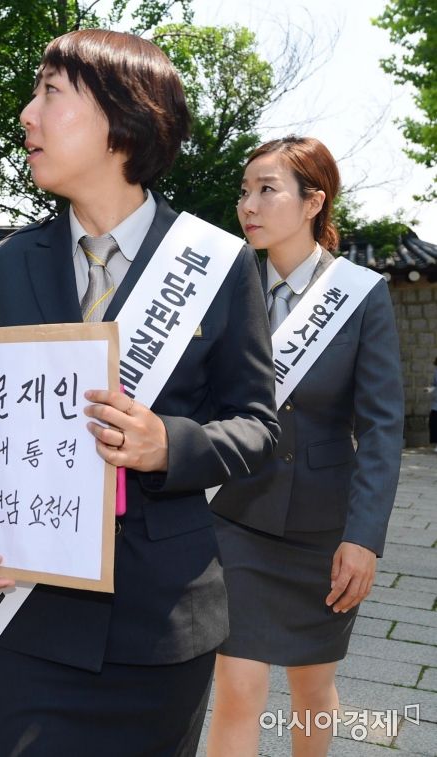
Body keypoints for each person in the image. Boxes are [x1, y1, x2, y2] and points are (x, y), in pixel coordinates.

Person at [0, 29, 279, 757]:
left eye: (51, 93)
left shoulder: (216, 263)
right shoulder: (12, 264)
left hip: (158, 628)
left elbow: (258, 429)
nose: (27, 114)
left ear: (123, 116)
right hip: (19, 615)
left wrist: (168, 444)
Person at [207, 136, 404, 757]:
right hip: (237, 515)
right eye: (244, 191)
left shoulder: (361, 293)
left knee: (313, 692)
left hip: (324, 530)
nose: (249, 205)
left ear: (313, 201)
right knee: (238, 688)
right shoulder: (226, 287)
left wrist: (364, 538)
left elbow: (382, 427)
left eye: (267, 190)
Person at [426, 356, 437, 451]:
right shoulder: (436, 371)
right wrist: (430, 389)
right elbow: (434, 384)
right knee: (433, 422)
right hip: (436, 403)